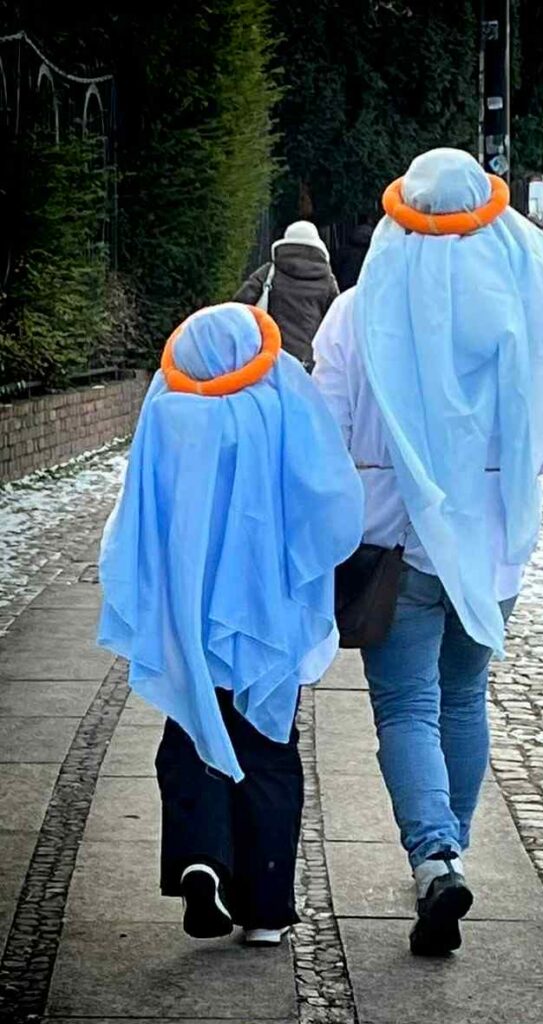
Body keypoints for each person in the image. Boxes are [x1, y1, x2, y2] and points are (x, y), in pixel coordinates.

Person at [312, 148, 543, 958]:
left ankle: (434, 858)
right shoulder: (520, 310)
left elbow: (325, 435)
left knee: (406, 708)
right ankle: (452, 852)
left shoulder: (355, 313)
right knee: (463, 699)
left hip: (395, 551)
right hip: (490, 552)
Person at [97, 303, 363, 946]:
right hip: (267, 605)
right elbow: (327, 496)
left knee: (192, 728)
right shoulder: (277, 408)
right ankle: (265, 910)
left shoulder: (167, 413)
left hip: (188, 608)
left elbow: (139, 510)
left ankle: (201, 859)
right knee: (268, 746)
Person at [234, 221, 339, 371]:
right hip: (309, 357)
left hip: (271, 353)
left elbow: (239, 305)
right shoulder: (327, 279)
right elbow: (336, 319)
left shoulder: (270, 271)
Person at [332, 221, 374, 290]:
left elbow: (335, 266)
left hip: (344, 285)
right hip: (361, 286)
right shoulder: (370, 253)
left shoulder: (344, 250)